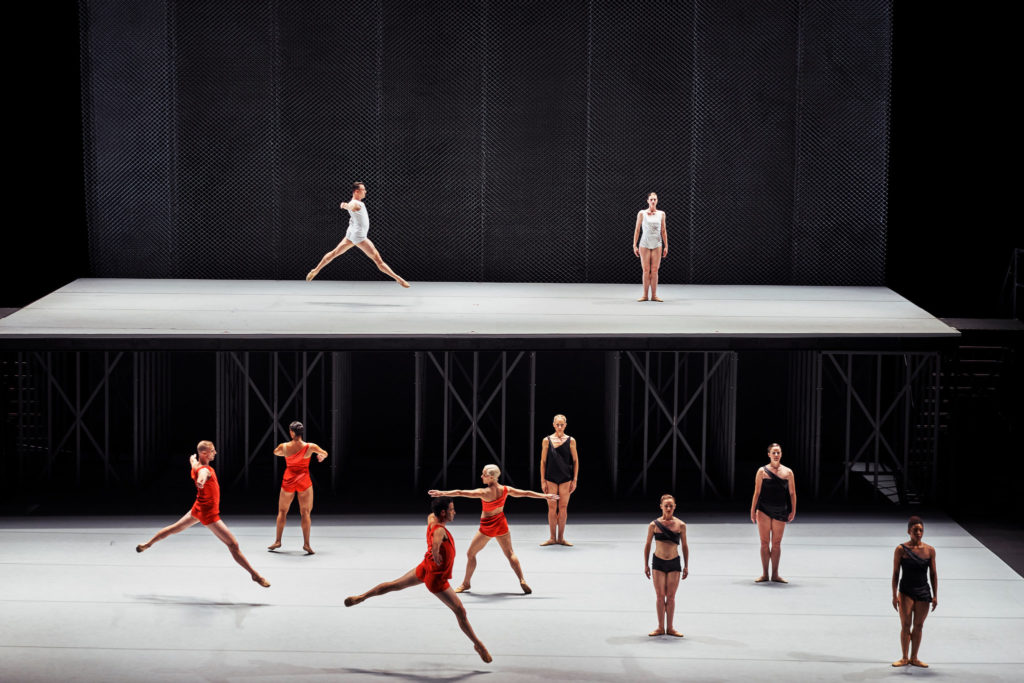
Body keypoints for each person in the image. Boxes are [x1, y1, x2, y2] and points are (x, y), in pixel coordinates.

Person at [343, 497, 492, 663]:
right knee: (460, 612)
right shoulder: (440, 529)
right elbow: (437, 538)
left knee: (394, 585)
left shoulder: (432, 519)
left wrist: (441, 499)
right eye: (451, 509)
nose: (454, 512)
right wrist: (436, 552)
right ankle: (478, 644)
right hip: (436, 579)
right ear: (443, 513)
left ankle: (362, 597)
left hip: (425, 567)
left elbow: (432, 517)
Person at [136, 440, 270, 587]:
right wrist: (200, 482)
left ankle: (148, 544)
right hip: (208, 514)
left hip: (198, 508)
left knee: (174, 528)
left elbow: (194, 463)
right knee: (233, 545)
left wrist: (192, 459)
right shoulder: (205, 470)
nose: (215, 453)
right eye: (212, 451)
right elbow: (202, 476)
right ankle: (255, 576)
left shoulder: (196, 465)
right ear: (204, 453)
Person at [429, 464, 558, 594]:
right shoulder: (506, 490)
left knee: (470, 554)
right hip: (501, 524)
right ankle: (522, 580)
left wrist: (442, 493)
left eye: (483, 474)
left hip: (488, 526)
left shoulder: (484, 492)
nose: (481, 476)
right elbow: (526, 493)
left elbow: (460, 492)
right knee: (510, 553)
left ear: (491, 477)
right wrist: (545, 496)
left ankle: (466, 583)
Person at [305, 181, 410, 287]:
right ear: (356, 191)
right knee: (378, 260)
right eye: (363, 190)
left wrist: (345, 206)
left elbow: (351, 207)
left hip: (351, 233)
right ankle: (399, 279)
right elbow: (352, 207)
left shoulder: (357, 202)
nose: (365, 191)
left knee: (334, 253)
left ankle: (316, 270)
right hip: (359, 237)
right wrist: (346, 206)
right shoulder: (356, 203)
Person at [267, 421, 329, 555]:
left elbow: (275, 452)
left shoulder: (284, 447)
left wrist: (287, 453)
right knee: (305, 513)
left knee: (282, 512)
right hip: (304, 480)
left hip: (288, 479)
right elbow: (325, 453)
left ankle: (278, 541)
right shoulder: (310, 447)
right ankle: (306, 544)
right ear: (301, 432)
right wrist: (321, 456)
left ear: (291, 432)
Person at [891, 515, 938, 668]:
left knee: (918, 626)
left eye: (921, 530)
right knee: (905, 625)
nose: (918, 533)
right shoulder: (901, 549)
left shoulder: (930, 550)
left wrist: (935, 595)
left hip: (924, 592)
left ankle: (914, 657)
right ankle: (904, 657)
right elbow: (896, 573)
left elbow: (933, 574)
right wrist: (894, 595)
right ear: (908, 531)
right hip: (906, 591)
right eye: (915, 530)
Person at [749, 442, 796, 583]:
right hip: (763, 509)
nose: (776, 455)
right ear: (769, 454)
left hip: (780, 510)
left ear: (781, 454)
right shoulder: (761, 471)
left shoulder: (788, 472)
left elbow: (792, 493)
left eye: (778, 452)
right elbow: (756, 493)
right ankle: (765, 574)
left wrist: (793, 510)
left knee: (776, 543)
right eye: (773, 452)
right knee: (764, 543)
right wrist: (753, 511)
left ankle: (775, 574)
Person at [643, 494, 689, 637]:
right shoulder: (653, 525)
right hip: (658, 562)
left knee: (671, 596)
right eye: (666, 505)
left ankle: (670, 627)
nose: (668, 508)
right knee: (659, 596)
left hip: (674, 562)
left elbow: (685, 546)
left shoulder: (681, 525)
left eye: (671, 506)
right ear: (661, 506)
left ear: (674, 507)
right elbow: (648, 545)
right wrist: (646, 565)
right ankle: (659, 627)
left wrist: (686, 565)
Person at [539, 414, 579, 546]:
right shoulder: (547, 440)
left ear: (566, 425)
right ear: (553, 425)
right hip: (550, 477)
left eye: (562, 424)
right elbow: (543, 461)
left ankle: (561, 537)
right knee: (551, 507)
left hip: (565, 478)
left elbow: (575, 461)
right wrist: (543, 480)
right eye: (558, 424)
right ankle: (552, 537)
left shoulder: (571, 440)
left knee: (563, 507)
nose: (560, 427)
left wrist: (575, 479)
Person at [632, 192, 668, 302]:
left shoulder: (661, 214)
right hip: (644, 244)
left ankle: (654, 295)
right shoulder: (642, 213)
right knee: (646, 270)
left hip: (657, 244)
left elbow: (663, 230)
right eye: (651, 199)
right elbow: (637, 230)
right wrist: (634, 245)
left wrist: (666, 246)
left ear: (657, 201)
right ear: (647, 201)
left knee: (655, 270)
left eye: (655, 199)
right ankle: (644, 295)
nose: (653, 201)